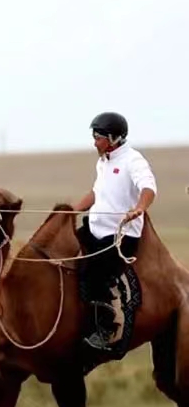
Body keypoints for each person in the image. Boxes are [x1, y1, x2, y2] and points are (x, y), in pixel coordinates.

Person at [72, 111, 156, 351]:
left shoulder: (134, 160)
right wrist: (69, 212)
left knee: (93, 271)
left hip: (121, 236)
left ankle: (106, 329)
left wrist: (139, 208)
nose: (94, 142)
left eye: (98, 136)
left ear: (114, 137)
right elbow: (97, 193)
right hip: (95, 228)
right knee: (62, 252)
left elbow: (148, 187)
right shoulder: (103, 162)